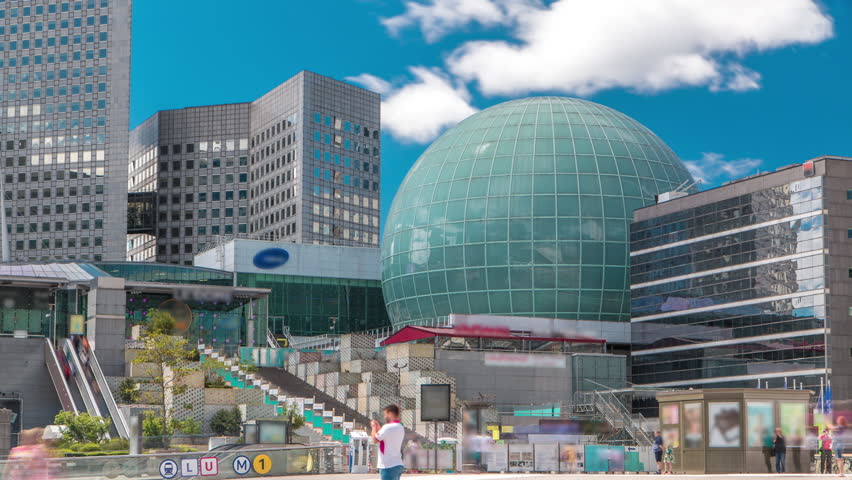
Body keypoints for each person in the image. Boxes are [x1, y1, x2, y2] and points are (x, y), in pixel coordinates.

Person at [370, 404, 405, 480]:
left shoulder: (387, 427)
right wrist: (379, 428)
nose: (384, 417)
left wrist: (373, 427)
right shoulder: (400, 426)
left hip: (388, 465)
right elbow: (386, 437)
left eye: (385, 414)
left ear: (390, 414)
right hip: (397, 463)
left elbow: (375, 439)